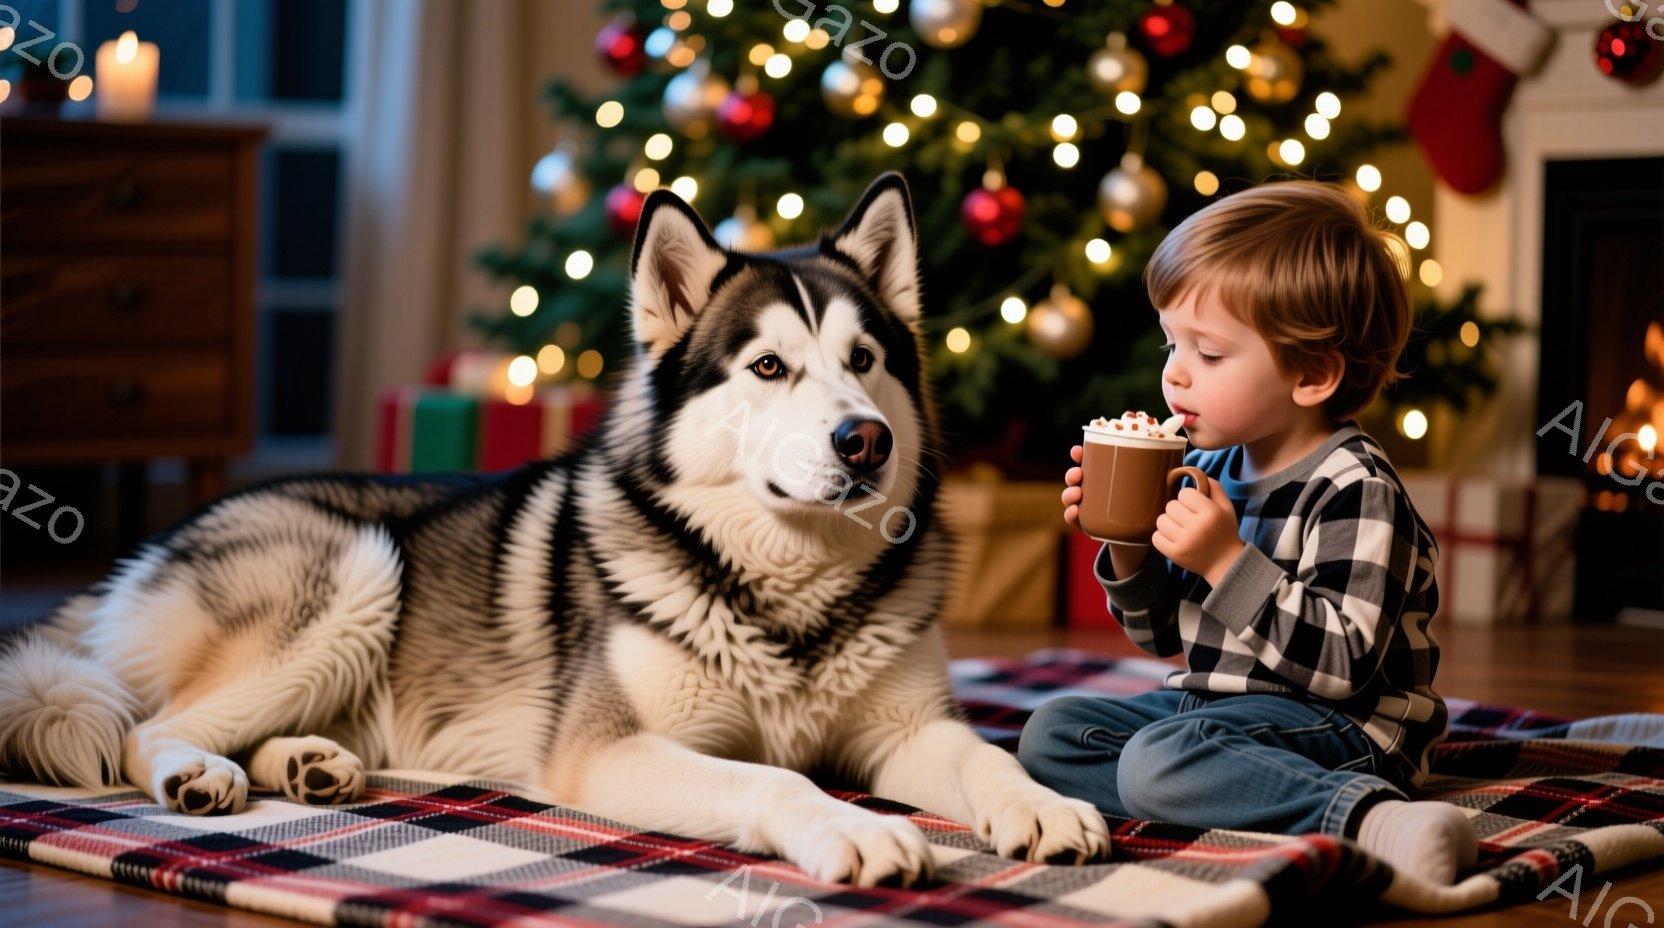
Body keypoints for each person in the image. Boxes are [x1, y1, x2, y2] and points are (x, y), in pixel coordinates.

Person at [1020, 180, 1477, 885]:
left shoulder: (1356, 488)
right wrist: (1129, 545)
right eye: (1172, 343)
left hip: (1345, 730)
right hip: (1216, 713)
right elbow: (1160, 636)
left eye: (1208, 354)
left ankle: (1367, 817)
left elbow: (1342, 665)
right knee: (1052, 734)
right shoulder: (1205, 468)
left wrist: (1225, 560)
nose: (1174, 375)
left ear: (1312, 374)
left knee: (1157, 761)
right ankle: (1217, 789)